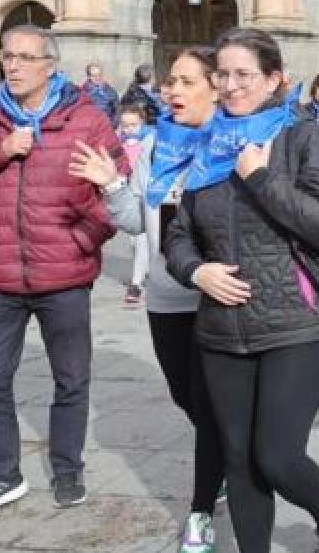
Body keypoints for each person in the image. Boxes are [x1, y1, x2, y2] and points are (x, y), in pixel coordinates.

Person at [163, 27, 319, 553]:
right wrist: (195, 272)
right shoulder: (208, 145)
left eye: (243, 74)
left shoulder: (303, 140)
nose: (230, 85)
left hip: (296, 323)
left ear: (274, 80)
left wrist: (260, 179)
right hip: (221, 330)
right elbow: (180, 235)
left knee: (276, 456)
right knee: (237, 457)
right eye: (222, 74)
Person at [0, 25, 127, 518]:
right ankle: (1, 476)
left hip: (65, 277)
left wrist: (80, 241)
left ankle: (67, 469)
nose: (12, 66)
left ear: (49, 66)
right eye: (7, 57)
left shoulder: (84, 119)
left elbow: (116, 191)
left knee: (71, 379)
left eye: (23, 57)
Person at [69, 46, 226, 553]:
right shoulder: (155, 145)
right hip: (165, 296)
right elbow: (138, 220)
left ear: (215, 86)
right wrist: (112, 184)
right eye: (168, 81)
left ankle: (203, 508)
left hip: (216, 297)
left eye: (185, 81)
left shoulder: (227, 144)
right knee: (187, 399)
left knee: (209, 402)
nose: (171, 90)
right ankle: (226, 456)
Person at [116, 104, 152, 307]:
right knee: (134, 242)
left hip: (144, 195)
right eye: (125, 125)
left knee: (141, 240)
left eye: (133, 125)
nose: (129, 129)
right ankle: (143, 273)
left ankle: (136, 283)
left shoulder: (149, 141)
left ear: (142, 123)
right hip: (127, 194)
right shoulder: (117, 142)